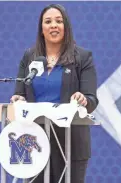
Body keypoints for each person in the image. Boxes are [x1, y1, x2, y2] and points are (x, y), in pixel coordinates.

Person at [10, 4, 98, 183]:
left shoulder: (82, 57)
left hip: (71, 143)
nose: (53, 25)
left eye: (59, 21)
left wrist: (83, 100)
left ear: (66, 26)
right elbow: (20, 93)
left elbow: (92, 99)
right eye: (48, 22)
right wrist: (18, 99)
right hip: (34, 142)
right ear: (41, 29)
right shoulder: (29, 57)